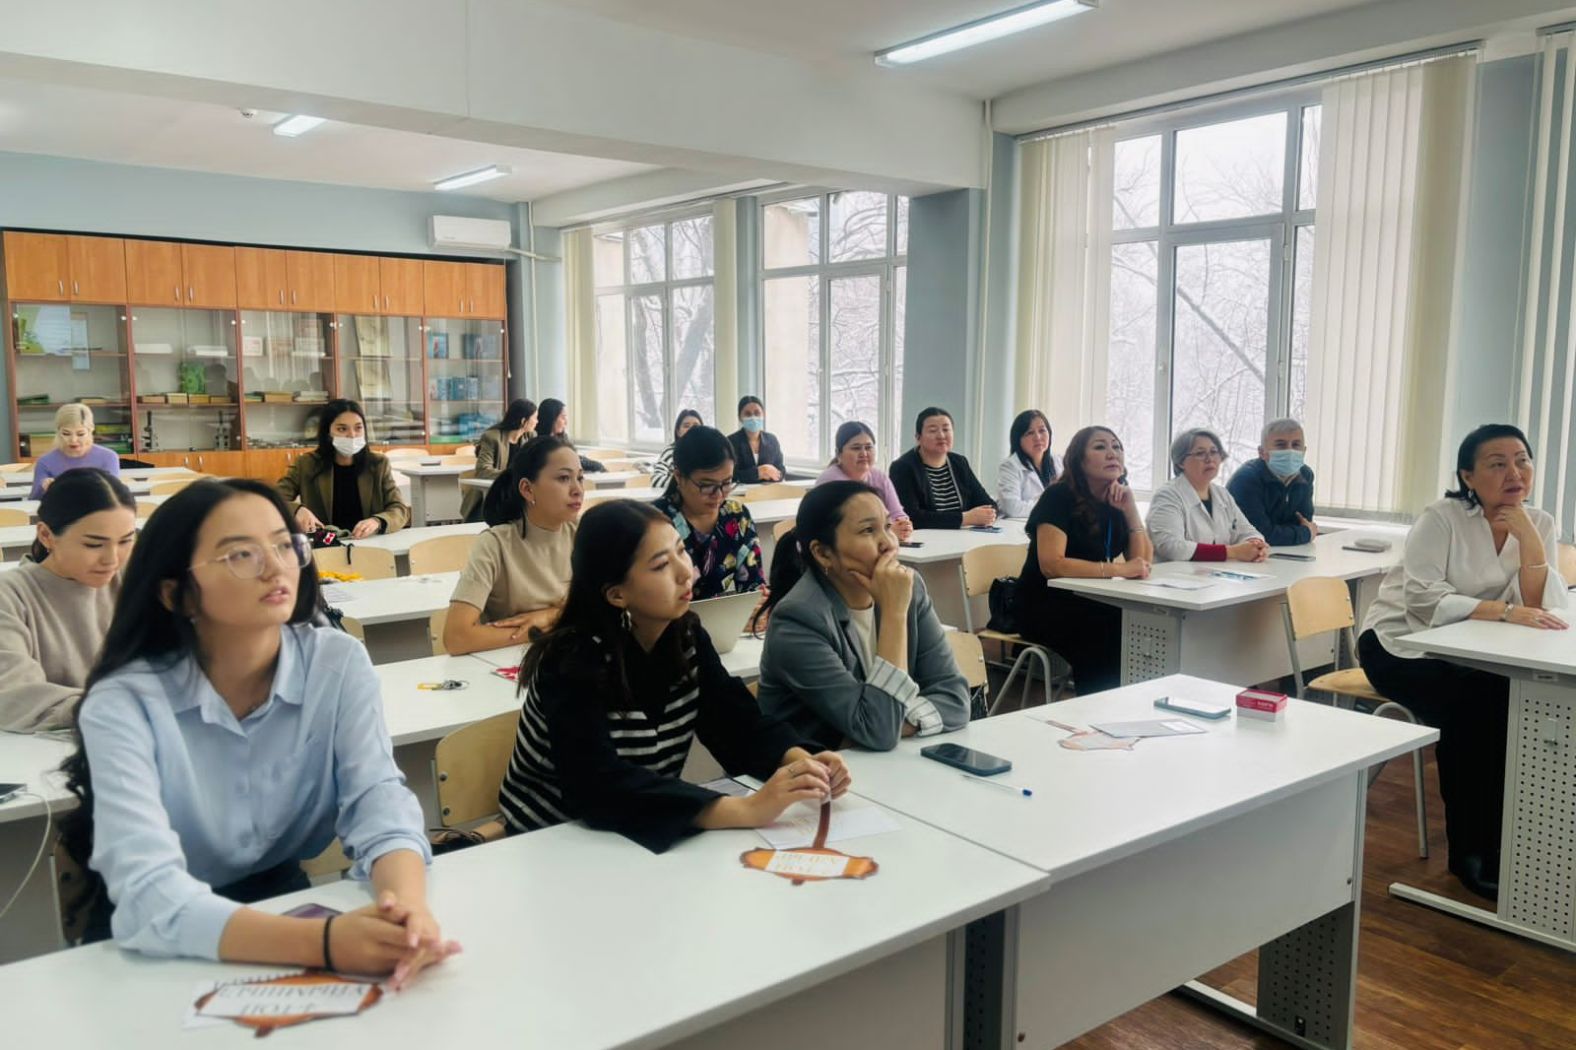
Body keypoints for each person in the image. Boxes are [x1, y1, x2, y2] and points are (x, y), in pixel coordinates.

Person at [59, 479, 457, 982]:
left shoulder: (336, 662)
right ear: (176, 593)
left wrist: (407, 912)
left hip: (275, 895)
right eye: (241, 555)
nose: (275, 567)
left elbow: (379, 801)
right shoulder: (124, 702)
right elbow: (148, 894)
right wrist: (326, 943)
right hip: (154, 938)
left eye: (284, 545)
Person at [495, 498, 851, 853]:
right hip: (553, 840)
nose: (686, 572)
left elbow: (737, 724)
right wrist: (745, 809)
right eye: (661, 565)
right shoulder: (570, 660)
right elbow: (597, 785)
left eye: (681, 551)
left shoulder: (686, 635)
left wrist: (800, 762)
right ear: (616, 594)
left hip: (632, 838)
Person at [1358, 424, 1568, 901]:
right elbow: (1422, 598)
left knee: (1517, 699)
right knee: (1479, 706)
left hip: (1474, 648)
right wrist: (1504, 611)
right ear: (1468, 476)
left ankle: (1516, 844)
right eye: (1497, 464)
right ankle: (1471, 855)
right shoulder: (1442, 518)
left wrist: (1531, 542)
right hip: (1400, 645)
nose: (1514, 472)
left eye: (1522, 460)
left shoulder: (1538, 521)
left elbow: (1542, 606)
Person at [757, 481, 969, 751]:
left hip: (889, 762)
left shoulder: (910, 587)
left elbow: (956, 698)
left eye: (888, 527)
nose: (888, 543)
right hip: (817, 770)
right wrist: (894, 613)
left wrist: (898, 723)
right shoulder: (797, 619)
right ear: (823, 553)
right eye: (868, 530)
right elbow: (879, 730)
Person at [1017, 426, 1153, 695]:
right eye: (1100, 447)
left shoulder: (1116, 500)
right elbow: (1052, 565)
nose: (1112, 453)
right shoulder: (1058, 496)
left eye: (1117, 447)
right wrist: (1118, 569)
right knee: (1105, 629)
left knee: (1137, 622)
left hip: (1091, 598)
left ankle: (1126, 702)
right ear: (1079, 460)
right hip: (1044, 604)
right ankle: (1095, 710)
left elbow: (1142, 563)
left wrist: (1131, 511)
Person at [0, 469, 135, 733]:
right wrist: (116, 710)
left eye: (125, 541)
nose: (112, 559)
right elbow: (14, 695)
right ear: (46, 535)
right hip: (48, 748)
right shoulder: (10, 596)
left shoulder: (135, 579)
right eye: (93, 544)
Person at [445, 436, 582, 655]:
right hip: (509, 661)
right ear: (527, 489)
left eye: (580, 478)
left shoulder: (584, 534)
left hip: (573, 655)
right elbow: (457, 637)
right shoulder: (495, 544)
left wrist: (550, 616)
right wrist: (544, 627)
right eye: (564, 478)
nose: (577, 490)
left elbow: (612, 608)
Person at [652, 426, 765, 601]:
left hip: (724, 616)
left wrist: (756, 605)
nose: (718, 495)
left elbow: (753, 585)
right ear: (679, 476)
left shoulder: (736, 516)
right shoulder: (655, 522)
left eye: (726, 483)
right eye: (706, 485)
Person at [277, 399, 410, 538]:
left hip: (366, 542)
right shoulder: (306, 464)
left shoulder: (378, 464)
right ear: (328, 432)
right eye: (342, 429)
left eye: (358, 428)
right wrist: (297, 509)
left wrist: (377, 521)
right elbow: (273, 499)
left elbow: (400, 509)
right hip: (325, 544)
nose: (352, 435)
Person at [1146, 429, 1267, 563]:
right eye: (1200, 453)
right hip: (1176, 573)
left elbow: (1248, 531)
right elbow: (1171, 547)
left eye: (1214, 452)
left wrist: (1256, 545)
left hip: (1216, 571)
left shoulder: (1222, 494)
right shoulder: (1167, 495)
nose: (1209, 459)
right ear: (1180, 462)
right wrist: (1231, 552)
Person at [889, 407, 997, 530]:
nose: (941, 435)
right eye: (932, 430)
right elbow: (911, 517)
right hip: (925, 538)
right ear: (918, 437)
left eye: (946, 429)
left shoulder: (959, 462)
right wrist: (964, 518)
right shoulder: (903, 467)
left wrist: (988, 514)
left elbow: (987, 503)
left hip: (962, 536)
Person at [1226, 417, 1319, 546]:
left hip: (1286, 553)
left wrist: (1298, 532)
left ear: (1304, 451)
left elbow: (1305, 522)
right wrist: (1305, 534)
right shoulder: (1246, 479)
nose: (1290, 451)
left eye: (1296, 445)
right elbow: (1260, 535)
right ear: (1262, 452)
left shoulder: (1305, 475)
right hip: (1244, 553)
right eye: (1281, 445)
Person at [816, 421, 913, 542]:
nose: (864, 453)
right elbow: (844, 529)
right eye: (856, 448)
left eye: (868, 447)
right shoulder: (831, 481)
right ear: (838, 453)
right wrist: (887, 530)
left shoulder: (879, 477)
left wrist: (903, 525)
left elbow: (897, 513)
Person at [461, 398, 537, 520]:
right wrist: (512, 475)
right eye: (535, 418)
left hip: (517, 495)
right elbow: (483, 470)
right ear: (524, 421)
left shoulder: (530, 437)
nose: (537, 422)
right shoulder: (492, 437)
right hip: (491, 497)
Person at [29, 403, 122, 498]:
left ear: (91, 430)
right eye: (66, 434)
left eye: (80, 434)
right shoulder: (45, 462)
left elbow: (115, 496)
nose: (73, 440)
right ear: (57, 431)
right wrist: (44, 488)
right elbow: (34, 499)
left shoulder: (108, 458)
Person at [996, 410, 1058, 518]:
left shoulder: (1059, 462)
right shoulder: (1010, 466)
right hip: (1021, 525)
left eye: (1042, 430)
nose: (1038, 437)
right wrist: (1050, 507)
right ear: (1018, 439)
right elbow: (1011, 508)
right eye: (1030, 433)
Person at [535, 398, 605, 473]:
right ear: (551, 419)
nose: (566, 422)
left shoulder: (561, 437)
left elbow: (574, 457)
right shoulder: (542, 446)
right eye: (563, 417)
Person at [727, 396, 785, 484]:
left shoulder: (772, 440)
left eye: (757, 413)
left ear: (763, 415)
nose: (753, 417)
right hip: (741, 491)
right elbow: (730, 475)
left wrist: (774, 474)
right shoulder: (730, 442)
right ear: (740, 417)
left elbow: (781, 471)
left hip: (768, 490)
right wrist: (758, 473)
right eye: (748, 414)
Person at [650, 409, 703, 491]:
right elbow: (656, 480)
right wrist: (687, 484)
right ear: (678, 431)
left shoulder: (708, 452)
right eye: (686, 426)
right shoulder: (671, 452)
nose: (691, 429)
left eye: (696, 426)